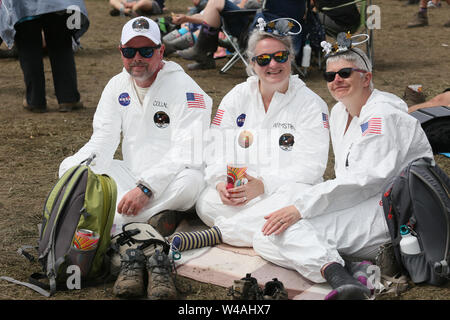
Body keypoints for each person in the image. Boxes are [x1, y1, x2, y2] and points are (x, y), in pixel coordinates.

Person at [248, 44, 433, 299]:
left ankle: (341, 275)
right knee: (266, 235)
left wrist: (302, 208)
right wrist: (306, 207)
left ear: (366, 77)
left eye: (345, 73)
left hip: (393, 213)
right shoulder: (338, 111)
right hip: (362, 201)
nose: (336, 80)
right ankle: (348, 273)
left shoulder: (383, 117)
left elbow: (364, 180)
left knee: (283, 232)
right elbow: (349, 181)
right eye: (329, 75)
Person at [58, 16, 212, 299]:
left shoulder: (187, 90)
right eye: (129, 51)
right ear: (121, 52)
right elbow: (102, 141)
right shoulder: (117, 85)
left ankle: (109, 221)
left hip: (176, 177)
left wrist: (146, 188)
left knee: (191, 185)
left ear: (161, 51)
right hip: (131, 173)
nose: (137, 58)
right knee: (71, 168)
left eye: (145, 51)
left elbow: (187, 150)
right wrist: (77, 172)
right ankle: (149, 221)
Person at [170, 26, 330, 254]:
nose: (272, 65)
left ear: (290, 58)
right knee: (206, 201)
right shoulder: (237, 96)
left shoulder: (311, 104)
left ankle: (218, 234)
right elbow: (214, 147)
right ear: (252, 63)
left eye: (280, 57)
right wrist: (219, 183)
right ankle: (268, 230)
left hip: (283, 191)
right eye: (263, 59)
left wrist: (264, 185)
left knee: (300, 197)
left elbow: (312, 167)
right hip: (242, 195)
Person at [0, 0, 88, 113]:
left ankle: (35, 100)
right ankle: (68, 98)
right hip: (57, 5)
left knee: (29, 47)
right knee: (61, 44)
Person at [171, 0, 262, 70]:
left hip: (251, 25)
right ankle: (203, 54)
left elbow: (245, 7)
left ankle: (200, 52)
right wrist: (186, 18)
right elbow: (208, 16)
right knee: (214, 5)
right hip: (228, 20)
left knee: (216, 2)